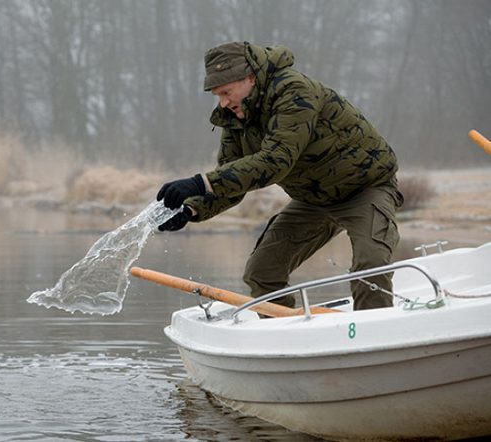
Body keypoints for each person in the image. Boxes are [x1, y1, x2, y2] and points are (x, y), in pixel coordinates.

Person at [156, 41, 403, 310]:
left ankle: (370, 339)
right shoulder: (235, 116)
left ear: (249, 78)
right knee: (262, 272)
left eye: (226, 92)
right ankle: (288, 338)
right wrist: (191, 209)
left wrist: (200, 183)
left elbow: (276, 161)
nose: (223, 102)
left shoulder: (294, 92)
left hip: (366, 189)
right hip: (312, 200)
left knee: (370, 265)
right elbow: (232, 180)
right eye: (217, 95)